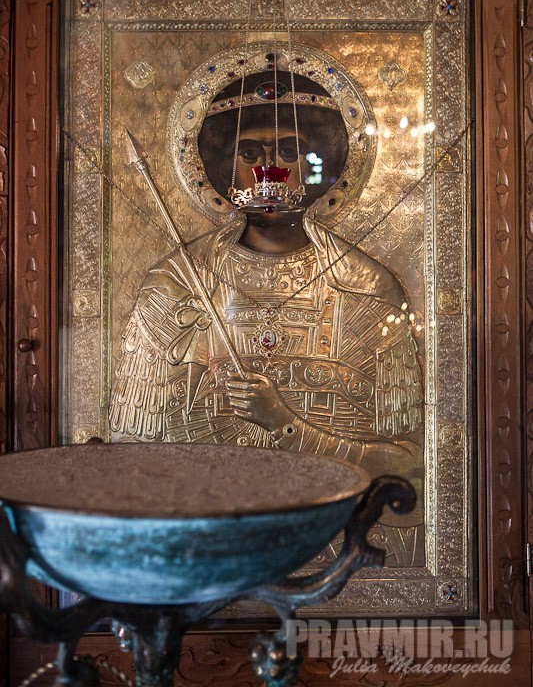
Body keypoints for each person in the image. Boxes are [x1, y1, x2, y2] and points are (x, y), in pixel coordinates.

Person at [110, 68, 424, 557]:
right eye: (250, 154)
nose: (270, 172)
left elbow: (409, 469)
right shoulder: (175, 285)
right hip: (209, 542)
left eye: (289, 151)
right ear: (223, 167)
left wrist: (287, 425)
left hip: (334, 542)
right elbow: (132, 454)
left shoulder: (365, 288)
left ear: (320, 163)